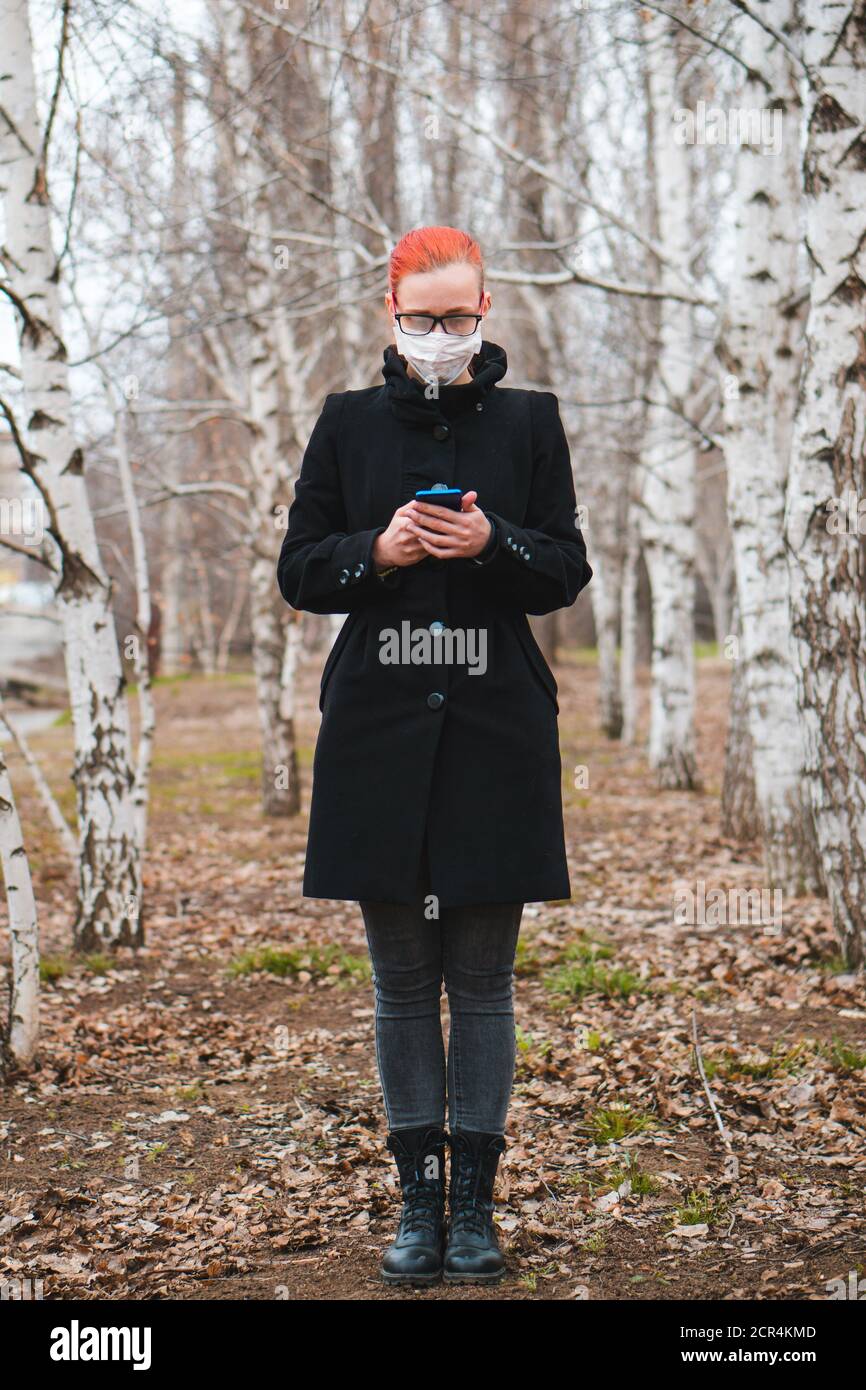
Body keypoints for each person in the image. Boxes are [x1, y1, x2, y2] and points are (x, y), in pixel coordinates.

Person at [277, 225, 592, 1285]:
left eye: (459, 318)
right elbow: (299, 569)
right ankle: (416, 1202)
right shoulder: (346, 425)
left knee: (485, 981)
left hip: (498, 727)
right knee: (402, 983)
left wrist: (491, 543)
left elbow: (563, 568)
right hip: (374, 726)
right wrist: (376, 550)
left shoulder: (529, 423)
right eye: (422, 319)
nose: (442, 336)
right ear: (391, 318)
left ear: (485, 313)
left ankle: (474, 1207)